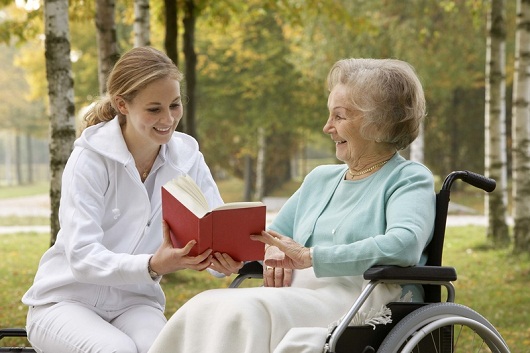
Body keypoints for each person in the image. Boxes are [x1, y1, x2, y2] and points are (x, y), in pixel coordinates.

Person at [147, 58, 436, 353]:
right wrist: (265, 252)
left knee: (246, 313)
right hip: (302, 292)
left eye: (339, 116)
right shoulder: (320, 179)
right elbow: (271, 239)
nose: (327, 127)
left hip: (361, 297)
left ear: (378, 122)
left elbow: (405, 245)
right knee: (203, 305)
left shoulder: (410, 178)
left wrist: (312, 256)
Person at [22, 46, 243, 353]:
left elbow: (216, 231)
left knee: (164, 349)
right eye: (154, 109)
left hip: (136, 303)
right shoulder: (89, 159)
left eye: (175, 105)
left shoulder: (188, 158)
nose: (168, 118)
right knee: (117, 350)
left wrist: (227, 260)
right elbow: (82, 255)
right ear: (122, 105)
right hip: (65, 301)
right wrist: (152, 265)